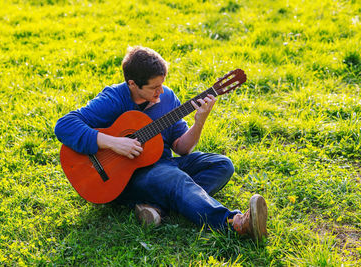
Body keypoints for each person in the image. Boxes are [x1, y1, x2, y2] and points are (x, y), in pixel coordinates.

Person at [54, 46, 267, 241]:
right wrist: (113, 143)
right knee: (175, 179)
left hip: (164, 165)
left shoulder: (167, 98)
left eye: (162, 84)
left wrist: (199, 122)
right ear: (133, 84)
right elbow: (64, 125)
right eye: (154, 87)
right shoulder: (114, 98)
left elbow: (182, 148)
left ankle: (155, 208)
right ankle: (234, 223)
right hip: (123, 178)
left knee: (222, 165)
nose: (161, 91)